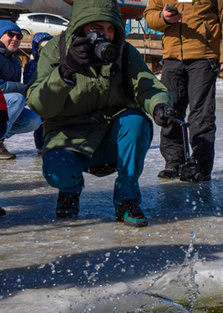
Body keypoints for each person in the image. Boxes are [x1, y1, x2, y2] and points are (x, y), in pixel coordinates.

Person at [26, 0, 174, 226]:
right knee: (57, 171)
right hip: (67, 136)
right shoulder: (56, 50)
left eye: (111, 28)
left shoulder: (123, 52)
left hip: (110, 134)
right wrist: (66, 71)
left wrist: (159, 105)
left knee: (136, 122)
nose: (107, 35)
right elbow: (39, 104)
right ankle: (69, 190)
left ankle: (127, 200)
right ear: (80, 26)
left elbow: (148, 86)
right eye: (97, 29)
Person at [144, 0, 223, 182]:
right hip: (172, 59)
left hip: (204, 58)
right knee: (170, 112)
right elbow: (149, 17)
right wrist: (163, 17)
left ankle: (200, 166)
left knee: (202, 116)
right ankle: (173, 162)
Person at [0, 20, 43, 160]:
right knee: (17, 99)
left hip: (3, 105)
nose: (15, 39)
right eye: (10, 34)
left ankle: (0, 138)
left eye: (19, 36)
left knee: (33, 120)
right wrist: (24, 89)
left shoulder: (14, 60)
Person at [22, 32, 52, 152]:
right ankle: (40, 145)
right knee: (41, 123)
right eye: (42, 49)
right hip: (39, 99)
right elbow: (28, 83)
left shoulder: (56, 64)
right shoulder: (32, 65)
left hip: (54, 98)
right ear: (37, 49)